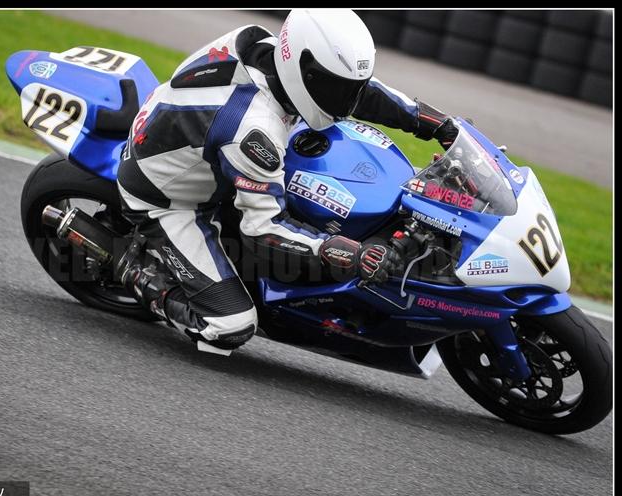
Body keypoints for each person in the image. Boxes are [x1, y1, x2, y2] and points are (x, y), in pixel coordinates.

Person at [114, 9, 459, 353]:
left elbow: (362, 93)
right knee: (231, 326)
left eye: (350, 88)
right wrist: (336, 250)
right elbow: (263, 229)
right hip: (169, 200)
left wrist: (433, 123)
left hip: (199, 149)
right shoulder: (254, 132)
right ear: (303, 72)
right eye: (338, 88)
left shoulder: (266, 48)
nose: (347, 101)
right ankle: (135, 273)